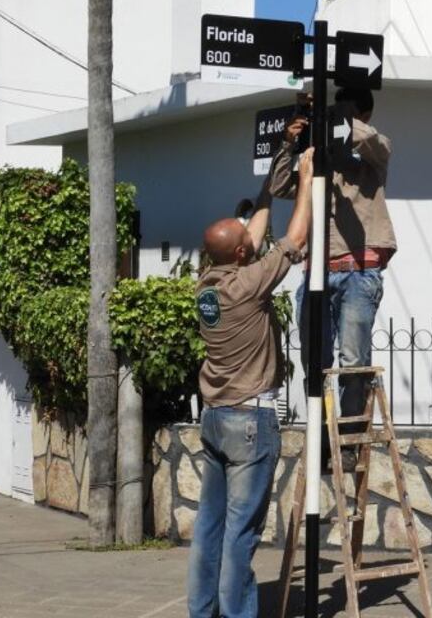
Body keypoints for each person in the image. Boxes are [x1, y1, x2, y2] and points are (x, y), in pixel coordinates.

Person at [187, 148, 315, 618]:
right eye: (246, 240)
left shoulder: (207, 285)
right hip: (248, 423)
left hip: (216, 418)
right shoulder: (249, 285)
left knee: (210, 527)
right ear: (242, 254)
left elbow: (253, 236)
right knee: (242, 532)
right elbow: (294, 237)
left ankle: (202, 612)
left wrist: (268, 188)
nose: (253, 239)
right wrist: (304, 180)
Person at [268, 88, 396, 465]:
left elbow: (372, 140)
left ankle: (351, 442)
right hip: (316, 273)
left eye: (347, 113)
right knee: (316, 362)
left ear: (362, 115)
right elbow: (278, 186)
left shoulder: (372, 151)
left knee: (352, 361)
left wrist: (339, 116)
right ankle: (322, 438)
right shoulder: (315, 163)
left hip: (359, 270)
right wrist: (290, 142)